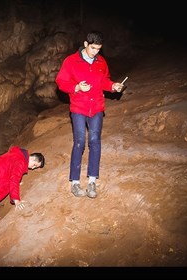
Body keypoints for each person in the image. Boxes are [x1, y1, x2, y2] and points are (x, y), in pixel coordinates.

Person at [55, 30, 124, 199]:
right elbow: (61, 82)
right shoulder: (71, 61)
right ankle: (75, 182)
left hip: (97, 107)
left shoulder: (101, 62)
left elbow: (104, 80)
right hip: (79, 107)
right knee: (79, 142)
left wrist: (113, 86)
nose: (95, 53)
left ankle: (92, 180)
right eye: (93, 48)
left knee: (95, 141)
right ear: (86, 44)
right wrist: (77, 87)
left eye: (98, 49)